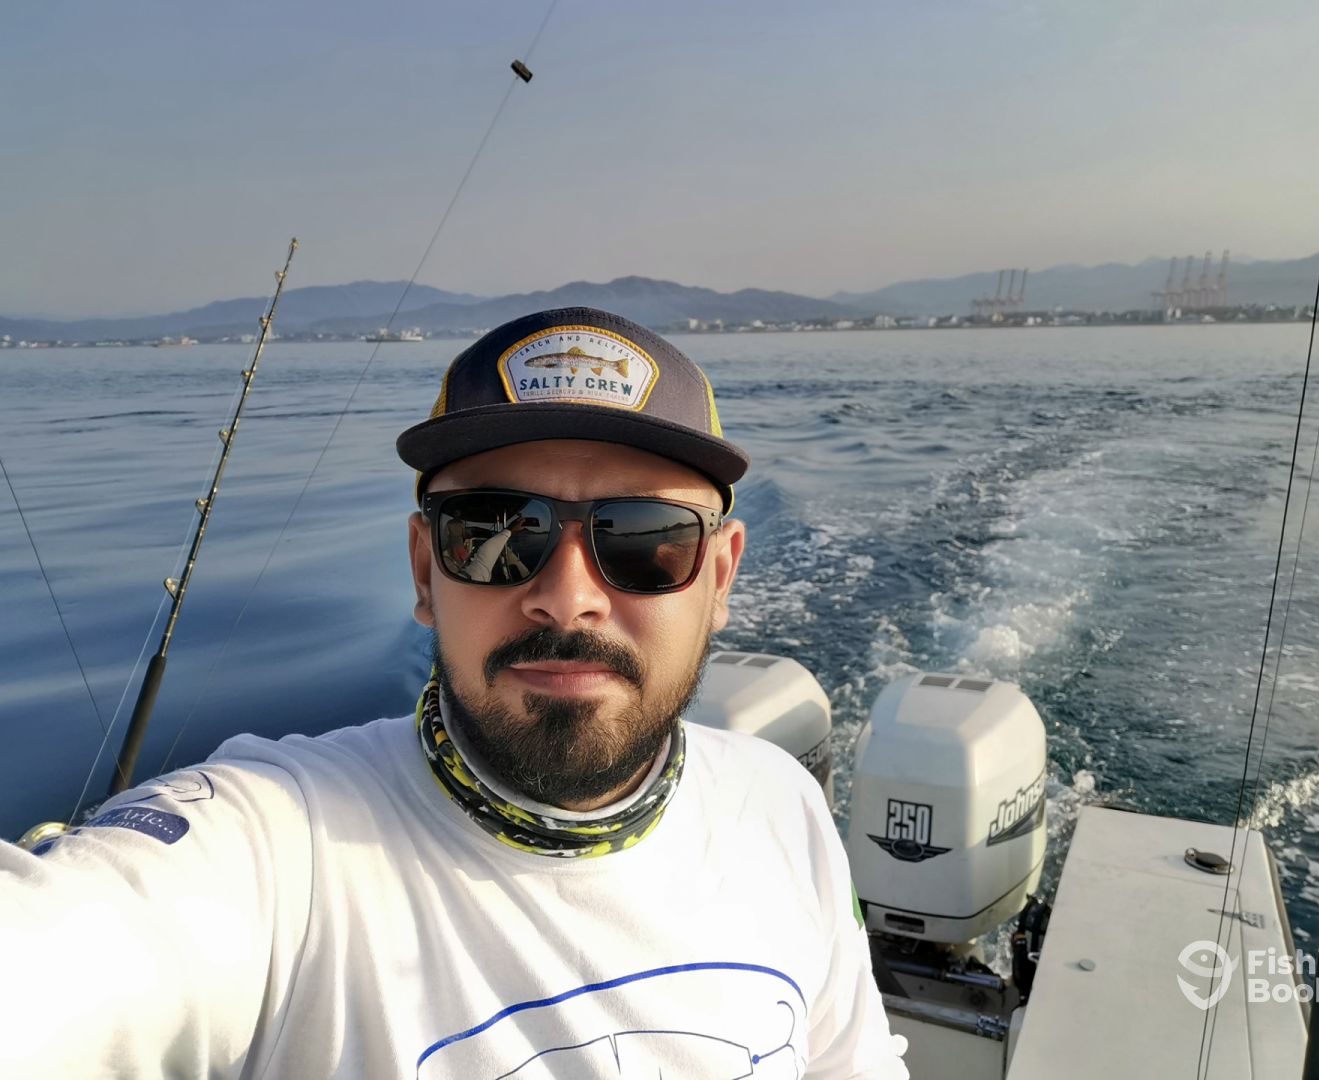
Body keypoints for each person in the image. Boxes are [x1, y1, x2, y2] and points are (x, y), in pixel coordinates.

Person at [0, 308, 910, 1079]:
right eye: (494, 532)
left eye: (644, 538)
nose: (568, 596)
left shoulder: (782, 806)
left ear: (719, 578)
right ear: (424, 573)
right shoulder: (285, 850)